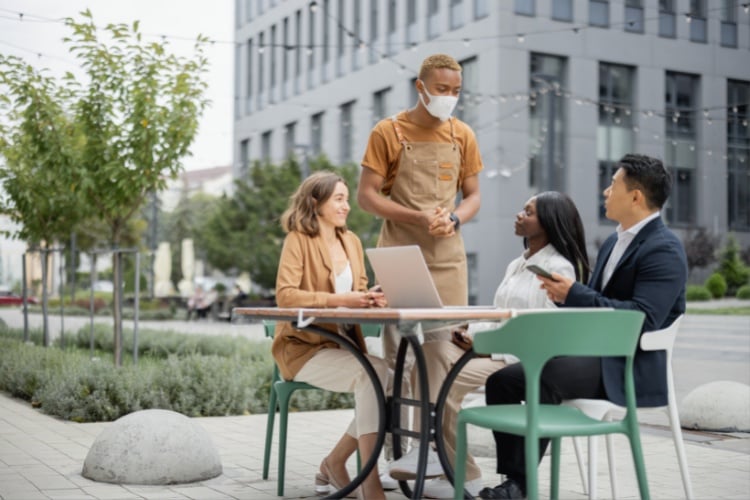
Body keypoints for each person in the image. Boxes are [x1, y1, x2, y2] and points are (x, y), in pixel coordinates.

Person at [479, 154, 688, 499]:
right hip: (594, 357)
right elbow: (599, 303)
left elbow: (640, 319)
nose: (605, 192)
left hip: (628, 368)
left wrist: (574, 293)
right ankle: (514, 482)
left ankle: (519, 488)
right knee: (502, 381)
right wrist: (564, 296)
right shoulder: (613, 242)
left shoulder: (664, 249)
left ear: (635, 197)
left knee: (542, 375)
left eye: (613, 185)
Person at [395, 192, 590, 498]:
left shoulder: (558, 269)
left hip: (518, 360)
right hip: (494, 349)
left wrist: (487, 345)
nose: (519, 215)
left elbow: (545, 334)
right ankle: (438, 453)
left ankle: (456, 465)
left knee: (446, 381)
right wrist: (471, 331)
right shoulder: (517, 264)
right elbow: (503, 317)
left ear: (549, 223)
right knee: (431, 354)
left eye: (528, 212)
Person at [357, 53, 484, 484]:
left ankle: (436, 449)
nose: (449, 98)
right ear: (421, 86)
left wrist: (454, 218)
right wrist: (415, 217)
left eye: (456, 91)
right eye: (442, 89)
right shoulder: (387, 132)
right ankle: (398, 451)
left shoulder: (462, 134)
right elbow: (367, 196)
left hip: (448, 259)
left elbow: (472, 196)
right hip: (401, 254)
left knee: (443, 353)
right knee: (399, 359)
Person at [271, 171, 389, 500]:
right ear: (315, 202)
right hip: (303, 350)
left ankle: (335, 462)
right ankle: (370, 482)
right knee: (376, 373)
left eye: (347, 199)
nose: (346, 206)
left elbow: (359, 290)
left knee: (387, 375)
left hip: (343, 347)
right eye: (338, 198)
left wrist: (371, 298)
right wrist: (343, 299)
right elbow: (286, 296)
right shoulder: (298, 239)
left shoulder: (350, 241)